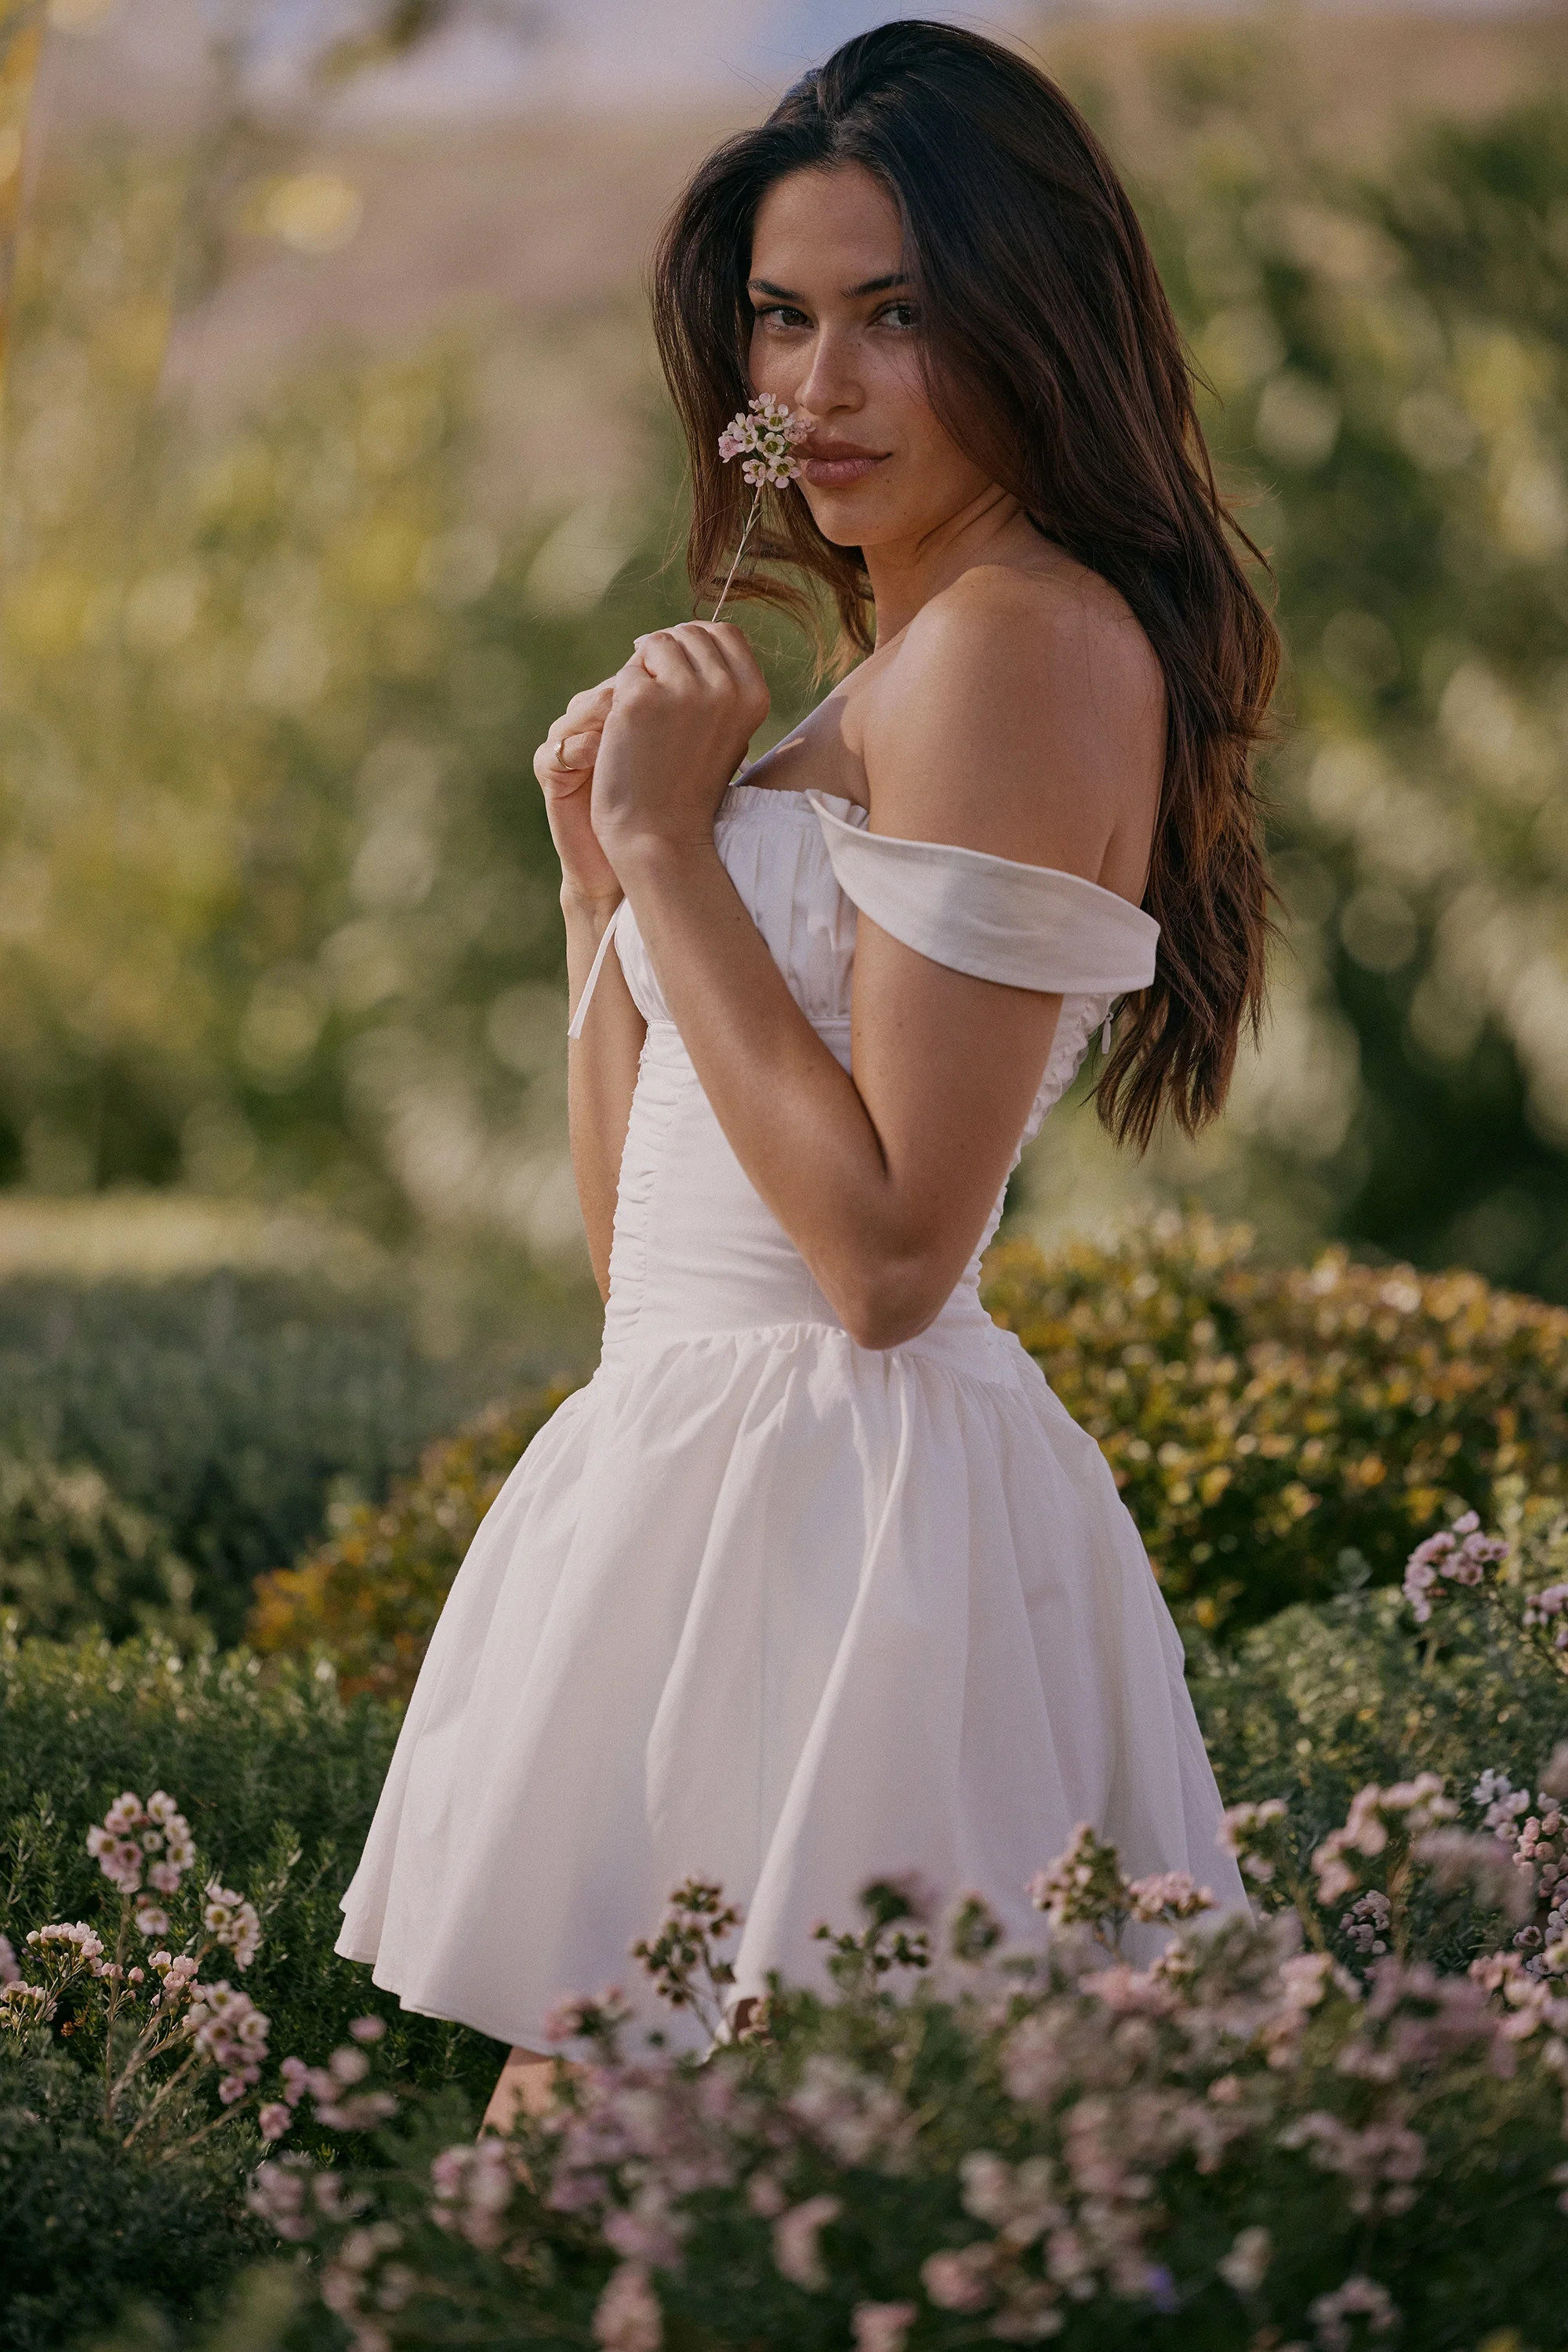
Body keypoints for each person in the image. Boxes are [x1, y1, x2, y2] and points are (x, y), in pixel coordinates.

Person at [337, 20, 1278, 2132]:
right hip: (707, 1483)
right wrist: (604, 891)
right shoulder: (906, 657)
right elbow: (644, 1257)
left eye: (892, 317)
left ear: (1033, 325)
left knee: (690, 2207)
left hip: (846, 1544)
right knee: (622, 2214)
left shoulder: (1021, 643)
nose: (816, 387)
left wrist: (682, 847)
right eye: (780, 319)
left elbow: (883, 1263)